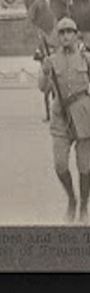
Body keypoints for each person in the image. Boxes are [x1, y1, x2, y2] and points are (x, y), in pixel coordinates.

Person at [38, 17, 90, 223]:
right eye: (62, 32)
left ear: (76, 34)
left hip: (84, 117)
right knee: (60, 165)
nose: (66, 36)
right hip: (60, 119)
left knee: (85, 167)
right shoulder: (51, 60)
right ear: (58, 37)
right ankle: (71, 199)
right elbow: (42, 87)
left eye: (70, 32)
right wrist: (44, 71)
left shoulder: (86, 58)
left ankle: (84, 205)